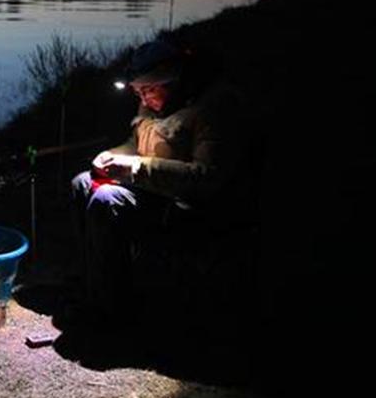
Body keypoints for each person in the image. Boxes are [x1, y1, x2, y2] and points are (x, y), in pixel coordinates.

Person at [65, 39, 247, 328]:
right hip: (153, 189)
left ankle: (112, 308)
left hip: (187, 208)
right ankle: (90, 283)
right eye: (138, 92)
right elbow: (136, 144)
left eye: (148, 90)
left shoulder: (215, 105)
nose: (144, 99)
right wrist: (113, 155)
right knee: (81, 183)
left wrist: (135, 167)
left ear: (174, 81)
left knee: (106, 199)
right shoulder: (153, 101)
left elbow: (207, 177)